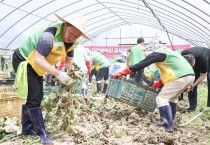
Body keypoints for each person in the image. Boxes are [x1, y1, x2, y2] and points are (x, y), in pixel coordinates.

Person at [12, 13, 90, 144]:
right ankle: (42, 134)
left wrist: (72, 74)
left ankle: (27, 130)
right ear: (65, 26)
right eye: (71, 33)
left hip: (37, 65)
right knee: (35, 96)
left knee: (36, 96)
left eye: (76, 36)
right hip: (24, 60)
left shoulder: (72, 43)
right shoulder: (49, 36)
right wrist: (58, 74)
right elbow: (38, 59)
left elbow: (69, 61)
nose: (72, 37)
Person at [113, 46, 195, 133]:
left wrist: (123, 72)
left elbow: (142, 64)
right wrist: (157, 84)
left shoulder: (158, 53)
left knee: (161, 99)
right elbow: (168, 72)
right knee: (173, 98)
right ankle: (171, 122)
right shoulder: (169, 53)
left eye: (146, 53)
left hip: (179, 77)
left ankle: (167, 126)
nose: (147, 55)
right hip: (190, 76)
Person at [181, 47, 210, 111]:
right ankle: (192, 106)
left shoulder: (203, 60)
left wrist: (192, 86)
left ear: (194, 61)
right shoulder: (182, 55)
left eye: (192, 66)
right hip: (198, 60)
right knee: (191, 81)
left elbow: (203, 76)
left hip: (208, 60)